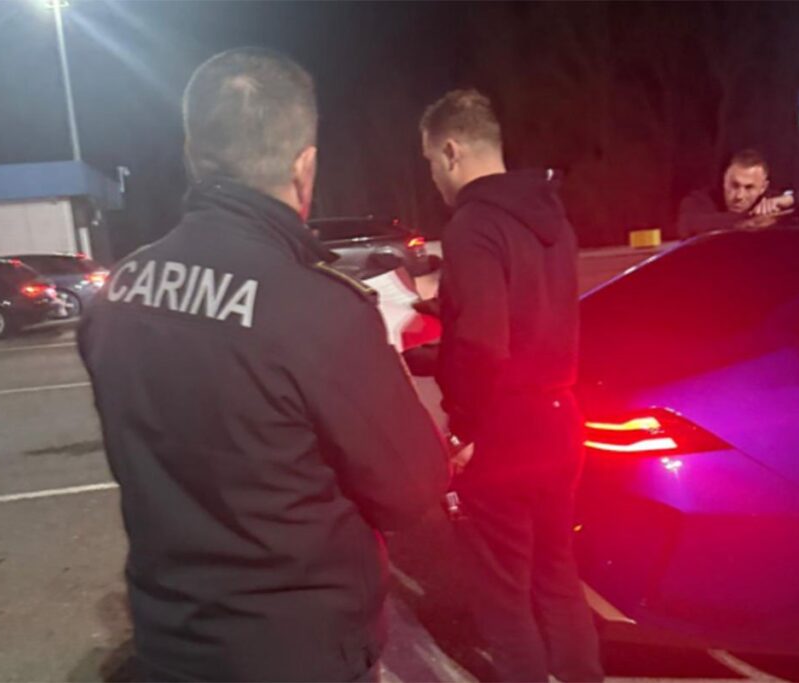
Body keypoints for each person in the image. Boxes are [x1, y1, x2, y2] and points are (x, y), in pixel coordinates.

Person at [77, 47, 449, 682]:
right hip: (298, 652)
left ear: (193, 153)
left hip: (170, 643)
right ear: (305, 166)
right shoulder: (318, 310)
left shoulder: (118, 293)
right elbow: (412, 492)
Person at [418, 89, 603, 682]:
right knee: (557, 578)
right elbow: (529, 320)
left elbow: (482, 344)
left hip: (504, 432)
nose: (433, 178)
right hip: (560, 417)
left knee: (504, 597)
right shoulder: (553, 220)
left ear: (452, 151)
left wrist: (464, 428)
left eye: (431, 161)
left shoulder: (473, 226)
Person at [677, 148, 799, 238]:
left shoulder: (770, 200)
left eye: (749, 188)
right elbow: (687, 224)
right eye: (734, 185)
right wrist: (755, 219)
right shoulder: (702, 199)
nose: (739, 196)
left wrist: (790, 199)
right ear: (724, 180)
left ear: (763, 187)